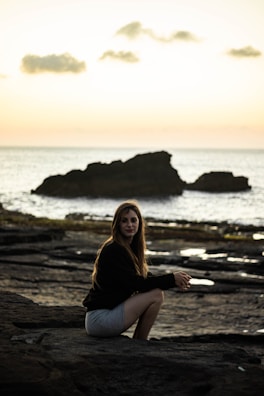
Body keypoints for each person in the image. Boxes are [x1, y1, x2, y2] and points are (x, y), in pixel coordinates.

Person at [83, 200, 191, 340]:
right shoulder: (114, 249)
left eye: (133, 220)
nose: (130, 225)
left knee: (156, 292)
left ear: (139, 223)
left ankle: (139, 341)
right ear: (117, 224)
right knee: (156, 294)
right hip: (99, 320)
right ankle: (140, 341)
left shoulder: (128, 248)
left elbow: (144, 278)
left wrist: (174, 280)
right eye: (124, 221)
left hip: (103, 317)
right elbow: (137, 283)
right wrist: (171, 279)